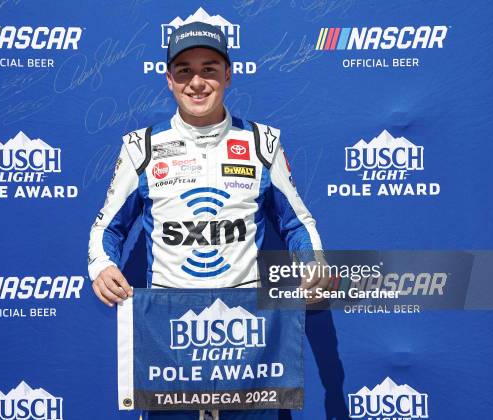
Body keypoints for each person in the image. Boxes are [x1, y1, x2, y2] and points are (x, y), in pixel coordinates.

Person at [88, 21, 329, 420]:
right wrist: (102, 265)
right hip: (170, 337)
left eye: (209, 69)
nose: (197, 82)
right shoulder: (141, 147)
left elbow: (297, 222)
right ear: (168, 80)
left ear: (228, 75)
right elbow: (106, 229)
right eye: (184, 70)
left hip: (250, 338)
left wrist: (313, 261)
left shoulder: (262, 142)